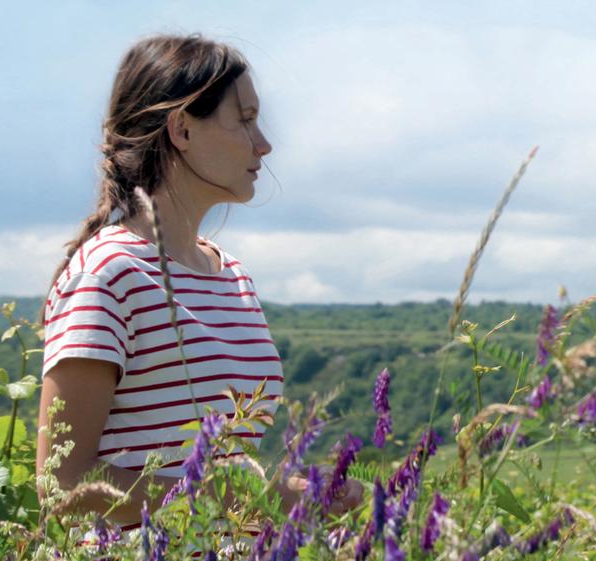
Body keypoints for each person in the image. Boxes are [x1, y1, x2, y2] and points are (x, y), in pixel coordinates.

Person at [36, 34, 360, 526]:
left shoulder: (232, 276)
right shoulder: (108, 274)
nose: (265, 143)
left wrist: (300, 491)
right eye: (246, 120)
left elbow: (214, 468)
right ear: (182, 130)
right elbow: (61, 485)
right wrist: (246, 502)